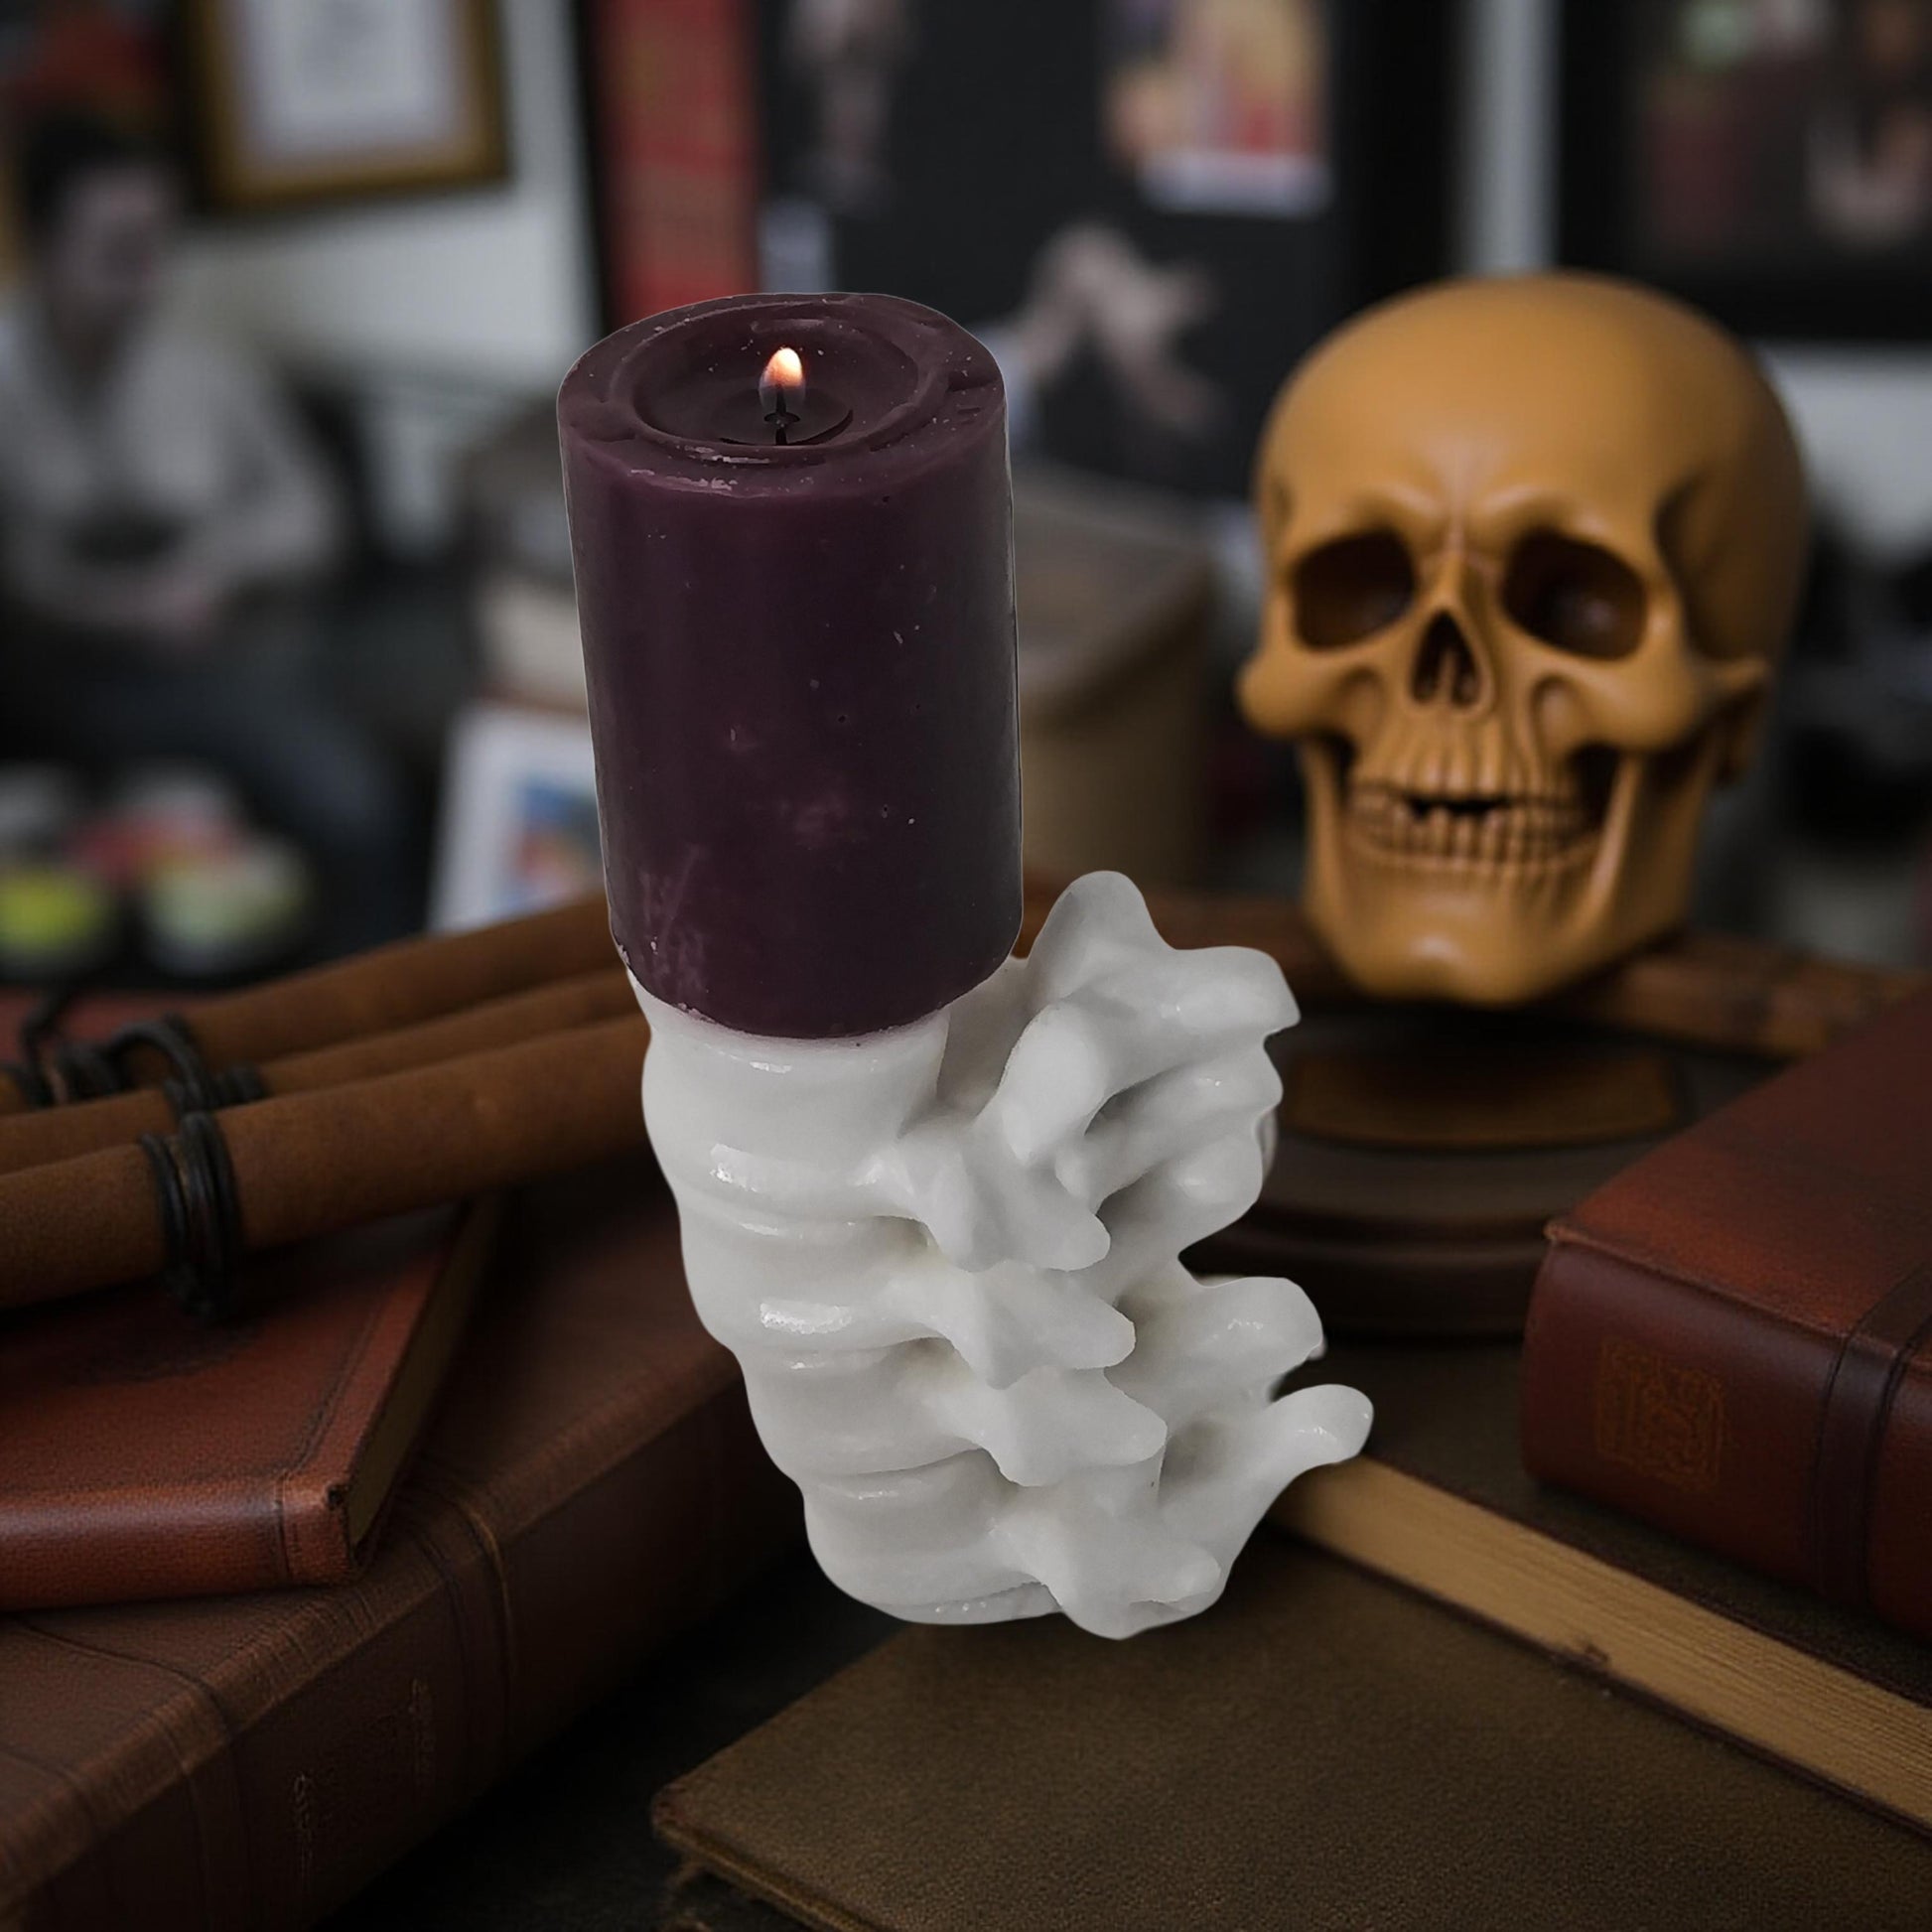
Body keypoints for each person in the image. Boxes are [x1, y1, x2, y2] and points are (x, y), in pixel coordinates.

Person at [0, 112, 415, 953]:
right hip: (54, 673)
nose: (151, 275)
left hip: (229, 648)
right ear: (45, 243)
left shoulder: (205, 361)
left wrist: (216, 568)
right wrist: (117, 608)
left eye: (160, 240)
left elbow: (315, 516)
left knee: (368, 777)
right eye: (119, 249)